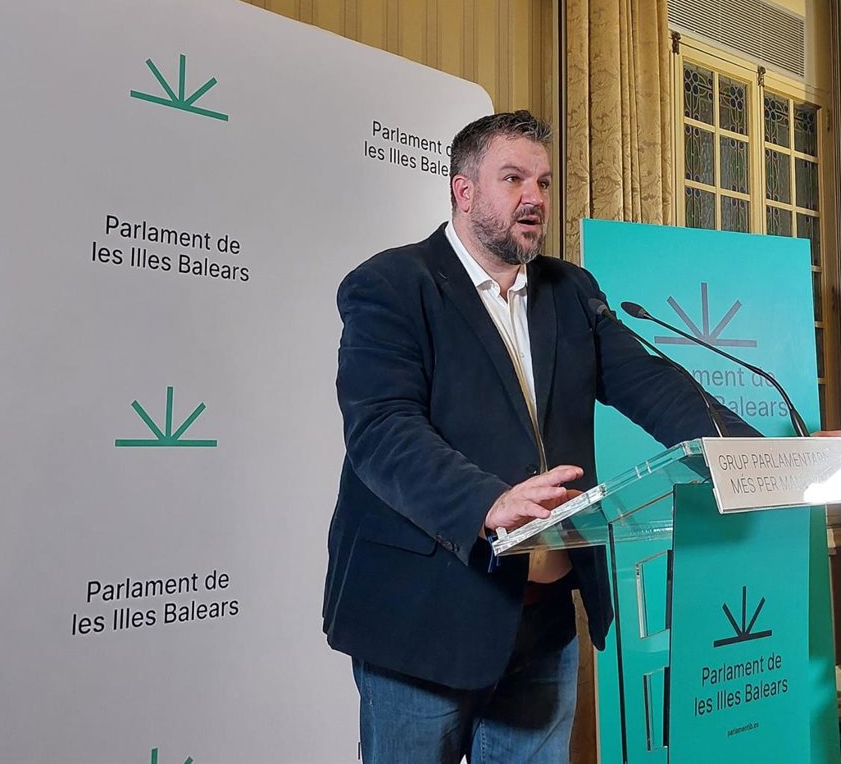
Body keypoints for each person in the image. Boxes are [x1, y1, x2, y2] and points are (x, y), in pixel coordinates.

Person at [323, 110, 757, 763]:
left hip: (543, 619)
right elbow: (382, 428)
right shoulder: (391, 285)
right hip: (425, 617)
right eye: (513, 179)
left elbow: (651, 383)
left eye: (544, 182)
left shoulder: (571, 291)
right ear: (464, 190)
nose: (535, 198)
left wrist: (755, 453)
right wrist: (487, 502)